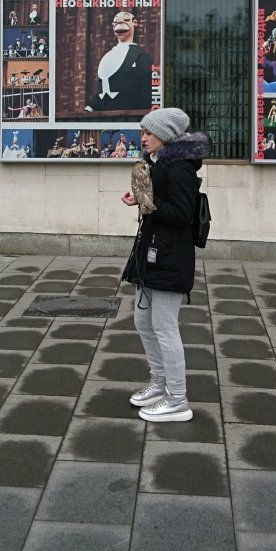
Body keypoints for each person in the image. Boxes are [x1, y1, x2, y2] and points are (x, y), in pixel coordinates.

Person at [121, 107, 210, 423]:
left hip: (171, 257)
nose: (143, 138)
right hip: (152, 253)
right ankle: (159, 383)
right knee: (143, 321)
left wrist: (150, 203)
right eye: (143, 132)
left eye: (149, 132)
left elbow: (182, 214)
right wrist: (140, 199)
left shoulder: (180, 167)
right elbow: (159, 205)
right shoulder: (160, 163)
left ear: (165, 135)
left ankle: (177, 399)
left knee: (164, 326)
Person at [85, 9, 153, 114]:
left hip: (130, 116)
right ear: (113, 26)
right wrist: (89, 108)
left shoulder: (142, 57)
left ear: (134, 23)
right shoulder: (107, 57)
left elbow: (146, 92)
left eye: (126, 20)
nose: (120, 24)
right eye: (116, 22)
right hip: (105, 117)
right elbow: (102, 93)